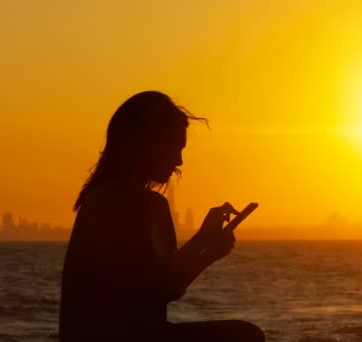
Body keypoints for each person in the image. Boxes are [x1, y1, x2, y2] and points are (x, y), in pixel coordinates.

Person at [59, 91, 265, 342]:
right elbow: (161, 288)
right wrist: (207, 252)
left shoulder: (97, 200)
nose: (179, 161)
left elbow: (157, 277)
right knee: (246, 336)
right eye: (175, 148)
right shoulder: (140, 204)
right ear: (147, 143)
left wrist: (203, 242)